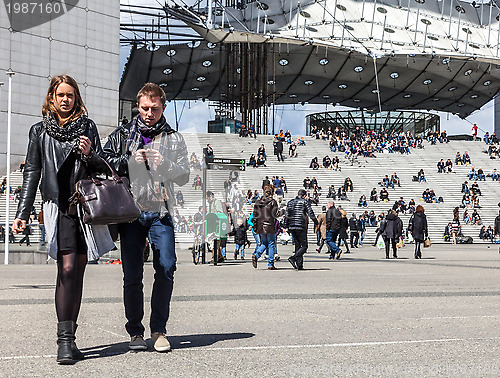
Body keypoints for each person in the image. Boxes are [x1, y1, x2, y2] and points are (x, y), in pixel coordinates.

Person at [12, 75, 112, 364]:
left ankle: (71, 339)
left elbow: (103, 166)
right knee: (67, 269)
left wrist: (90, 153)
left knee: (76, 272)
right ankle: (64, 343)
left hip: (85, 208)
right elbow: (32, 172)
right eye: (61, 95)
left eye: (71, 95)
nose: (66, 99)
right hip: (60, 206)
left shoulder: (88, 128)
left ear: (76, 98)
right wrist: (22, 213)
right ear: (51, 98)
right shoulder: (39, 131)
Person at [103, 82, 190, 353]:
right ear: (137, 107)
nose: (149, 113)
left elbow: (185, 175)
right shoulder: (122, 134)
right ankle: (135, 332)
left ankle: (159, 330)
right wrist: (130, 160)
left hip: (160, 211)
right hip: (130, 212)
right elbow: (103, 162)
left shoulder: (174, 138)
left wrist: (164, 163)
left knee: (166, 266)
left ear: (163, 106)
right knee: (132, 274)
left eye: (154, 108)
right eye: (144, 108)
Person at [285, 189, 318, 270]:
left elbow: (287, 215)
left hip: (292, 226)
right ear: (304, 195)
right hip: (300, 225)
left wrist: (285, 225)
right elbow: (310, 213)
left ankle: (299, 265)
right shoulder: (304, 202)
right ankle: (293, 258)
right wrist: (316, 222)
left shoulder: (290, 202)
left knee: (297, 245)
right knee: (304, 246)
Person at [252, 185, 279, 269]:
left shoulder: (258, 201)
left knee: (264, 243)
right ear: (271, 192)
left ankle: (256, 254)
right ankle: (270, 264)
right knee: (271, 244)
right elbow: (276, 214)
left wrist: (255, 226)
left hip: (261, 226)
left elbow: (255, 215)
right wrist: (283, 211)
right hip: (270, 226)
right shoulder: (273, 202)